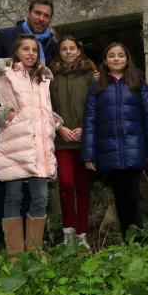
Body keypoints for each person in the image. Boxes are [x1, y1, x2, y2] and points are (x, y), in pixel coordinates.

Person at [0, 0, 58, 255]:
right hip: (12, 133)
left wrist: (51, 120)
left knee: (38, 195)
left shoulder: (51, 51)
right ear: (28, 13)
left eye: (46, 15)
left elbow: (45, 99)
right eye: (37, 13)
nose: (41, 18)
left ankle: (31, 247)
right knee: (6, 187)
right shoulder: (6, 36)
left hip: (38, 137)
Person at [81, 42, 148, 238]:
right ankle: (129, 239)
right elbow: (90, 121)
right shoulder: (98, 86)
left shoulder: (138, 83)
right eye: (111, 55)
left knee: (133, 196)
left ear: (127, 59)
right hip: (109, 150)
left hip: (134, 149)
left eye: (120, 55)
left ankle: (138, 239)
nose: (116, 58)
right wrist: (89, 155)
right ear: (105, 60)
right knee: (120, 196)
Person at [50, 36, 96, 249]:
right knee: (67, 184)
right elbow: (45, 106)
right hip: (62, 140)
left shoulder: (90, 75)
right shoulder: (51, 76)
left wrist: (86, 127)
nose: (68, 52)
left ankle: (82, 234)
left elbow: (95, 104)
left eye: (72, 48)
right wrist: (60, 128)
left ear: (79, 50)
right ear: (59, 52)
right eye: (64, 49)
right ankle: (68, 232)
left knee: (83, 187)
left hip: (84, 139)